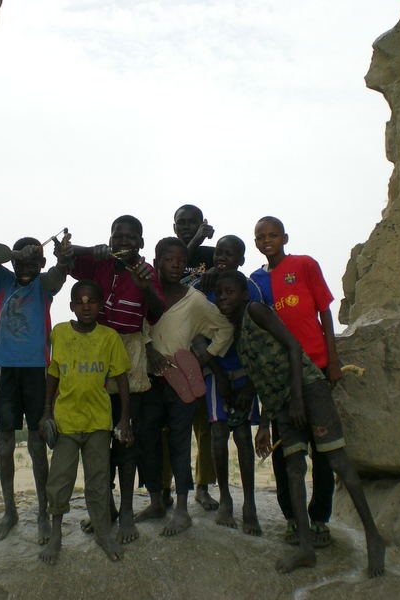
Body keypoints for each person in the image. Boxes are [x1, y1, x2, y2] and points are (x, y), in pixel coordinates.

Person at [215, 270, 385, 577]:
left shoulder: (256, 311)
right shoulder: (239, 333)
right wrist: (267, 420)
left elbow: (293, 346)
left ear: (244, 294)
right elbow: (263, 377)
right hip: (283, 403)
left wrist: (296, 398)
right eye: (220, 293)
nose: (223, 297)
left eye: (229, 292)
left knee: (337, 460)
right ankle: (305, 548)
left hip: (307, 389)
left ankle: (373, 538)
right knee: (293, 469)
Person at [0, 232, 72, 544]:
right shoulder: (3, 281)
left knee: (38, 443)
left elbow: (59, 273)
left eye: (33, 261)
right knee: (4, 443)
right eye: (20, 261)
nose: (26, 267)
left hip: (37, 371)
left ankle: (43, 512)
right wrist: (12, 255)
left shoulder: (43, 287)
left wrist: (62, 258)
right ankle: (10, 511)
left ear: (41, 263)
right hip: (7, 370)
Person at [69, 215, 165, 543]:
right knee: (98, 442)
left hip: (131, 356)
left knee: (126, 439)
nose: (122, 241)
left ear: (140, 242)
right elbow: (66, 258)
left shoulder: (146, 272)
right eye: (117, 235)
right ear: (109, 238)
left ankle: (125, 514)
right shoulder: (99, 265)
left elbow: (156, 312)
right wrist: (86, 250)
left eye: (129, 237)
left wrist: (144, 287)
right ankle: (103, 510)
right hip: (95, 354)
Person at [249, 216, 339, 547]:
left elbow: (325, 311)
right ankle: (292, 518)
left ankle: (319, 519)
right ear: (256, 242)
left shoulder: (303, 265)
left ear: (285, 237)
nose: (267, 240)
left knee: (323, 450)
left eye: (273, 235)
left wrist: (333, 362)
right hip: (280, 376)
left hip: (315, 367)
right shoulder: (256, 281)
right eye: (261, 236)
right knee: (286, 451)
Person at [136, 237, 233, 536]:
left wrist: (204, 358)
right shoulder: (145, 293)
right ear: (156, 262)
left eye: (180, 260)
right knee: (149, 441)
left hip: (181, 384)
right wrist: (149, 348)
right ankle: (155, 500)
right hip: (148, 380)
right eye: (169, 259)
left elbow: (224, 329)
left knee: (179, 442)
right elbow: (136, 326)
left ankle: (181, 509)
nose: (176, 265)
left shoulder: (195, 301)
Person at [39, 280, 133, 564]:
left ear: (100, 304)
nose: (86, 306)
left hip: (98, 423)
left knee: (99, 482)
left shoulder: (109, 337)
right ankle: (56, 536)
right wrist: (47, 412)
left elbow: (122, 379)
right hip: (66, 422)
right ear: (71, 306)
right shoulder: (60, 333)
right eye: (79, 301)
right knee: (59, 481)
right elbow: (53, 374)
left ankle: (103, 533)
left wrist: (124, 418)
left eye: (91, 300)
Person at [196, 235, 263, 535]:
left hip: (246, 370)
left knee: (243, 437)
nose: (222, 257)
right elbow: (196, 334)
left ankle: (249, 504)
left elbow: (259, 335)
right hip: (215, 371)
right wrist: (218, 374)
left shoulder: (251, 290)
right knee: (219, 433)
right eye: (219, 252)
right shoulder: (204, 290)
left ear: (241, 259)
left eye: (230, 253)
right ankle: (225, 499)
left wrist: (251, 383)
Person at [172, 204, 219, 510]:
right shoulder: (170, 253)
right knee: (174, 429)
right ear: (174, 227)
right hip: (175, 351)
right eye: (182, 223)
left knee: (206, 427)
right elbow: (170, 276)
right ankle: (172, 489)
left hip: (206, 354)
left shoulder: (214, 253)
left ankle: (203, 487)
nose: (187, 226)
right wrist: (194, 243)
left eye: (192, 222)